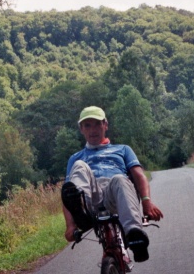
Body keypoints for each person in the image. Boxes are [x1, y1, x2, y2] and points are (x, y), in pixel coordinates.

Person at [61, 106, 164, 262]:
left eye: (97, 124)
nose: (93, 130)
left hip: (116, 196)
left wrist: (147, 203)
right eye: (87, 125)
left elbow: (139, 176)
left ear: (105, 125)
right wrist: (70, 226)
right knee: (79, 167)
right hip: (90, 198)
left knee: (119, 178)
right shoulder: (76, 158)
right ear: (81, 129)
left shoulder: (123, 149)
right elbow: (68, 194)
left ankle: (134, 236)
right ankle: (82, 212)